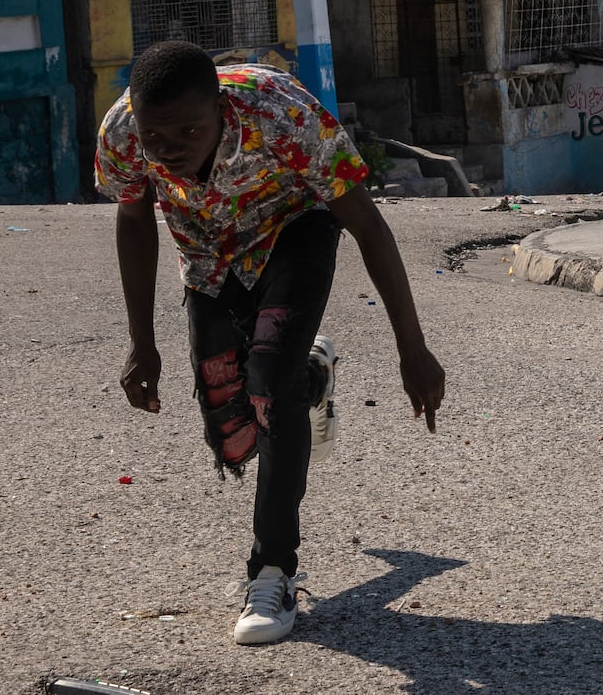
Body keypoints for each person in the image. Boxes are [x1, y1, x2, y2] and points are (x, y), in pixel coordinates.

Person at [97, 42, 445, 647]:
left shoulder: (281, 115)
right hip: (206, 248)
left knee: (268, 388)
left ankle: (272, 572)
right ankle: (310, 379)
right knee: (232, 430)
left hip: (295, 225)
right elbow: (133, 218)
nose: (170, 147)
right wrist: (141, 343)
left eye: (190, 130)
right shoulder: (124, 130)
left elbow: (368, 224)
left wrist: (411, 350)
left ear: (221, 110)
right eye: (158, 136)